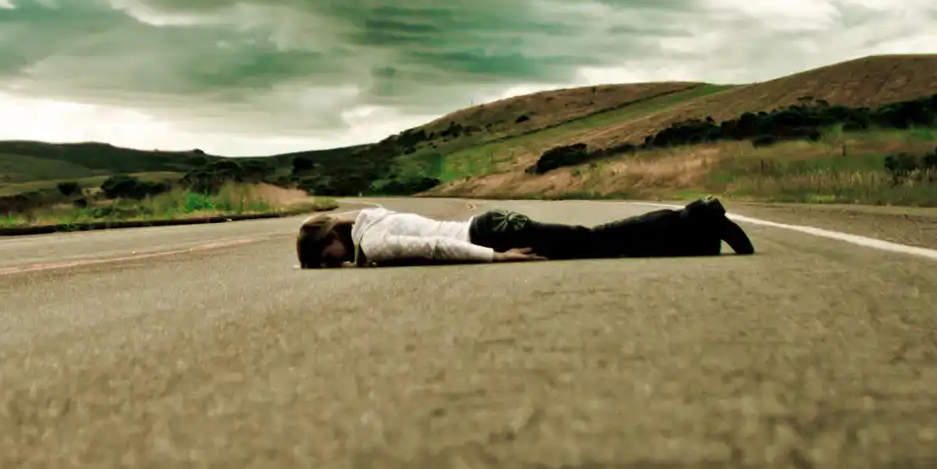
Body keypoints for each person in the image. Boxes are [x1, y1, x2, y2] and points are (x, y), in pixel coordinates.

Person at [295, 198, 755, 268]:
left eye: (327, 259)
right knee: (597, 242)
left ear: (331, 241)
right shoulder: (370, 218)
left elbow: (434, 246)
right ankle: (700, 238)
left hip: (489, 236)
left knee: (597, 241)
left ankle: (698, 216)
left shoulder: (373, 242)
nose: (336, 264)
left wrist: (497, 257)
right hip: (491, 224)